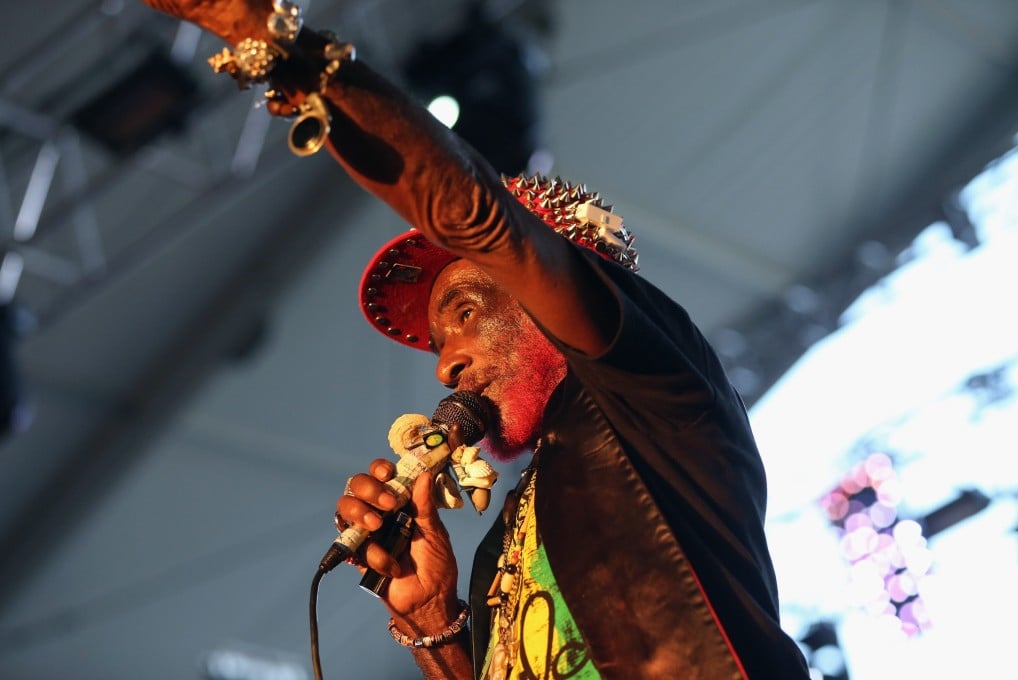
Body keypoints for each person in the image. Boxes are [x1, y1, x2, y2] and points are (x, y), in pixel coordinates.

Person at [142, 1, 812, 677]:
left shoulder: (655, 388)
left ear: (542, 294)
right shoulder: (506, 543)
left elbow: (484, 224)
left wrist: (278, 46)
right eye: (438, 345)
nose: (446, 366)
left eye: (465, 313)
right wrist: (432, 625)